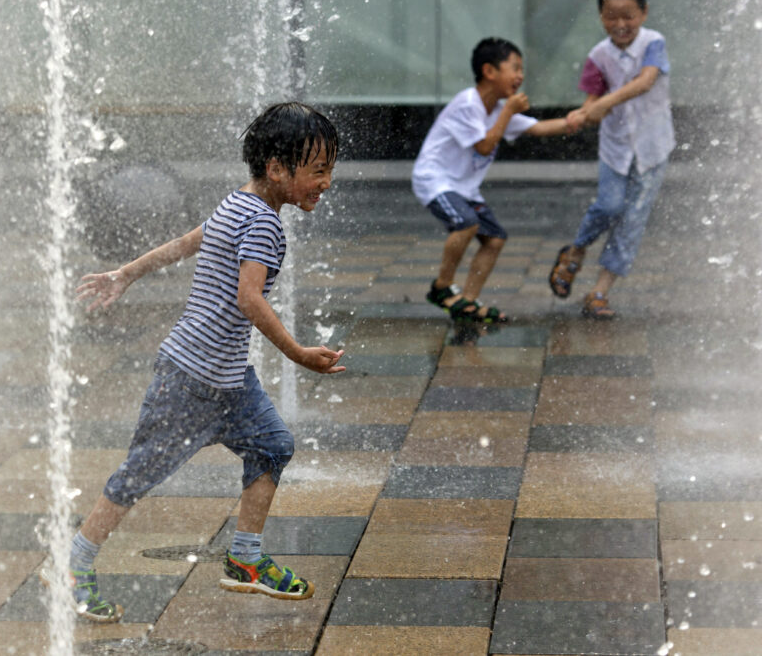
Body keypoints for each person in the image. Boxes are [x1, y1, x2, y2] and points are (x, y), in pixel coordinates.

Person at [43, 102, 345, 622]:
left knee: (273, 445)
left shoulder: (239, 204)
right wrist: (298, 355)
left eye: (329, 170)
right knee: (139, 475)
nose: (327, 182)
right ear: (277, 169)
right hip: (191, 380)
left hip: (226, 378)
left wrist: (127, 273)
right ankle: (74, 562)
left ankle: (245, 559)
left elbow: (188, 242)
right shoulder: (265, 227)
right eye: (318, 171)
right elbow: (249, 298)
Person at [413, 37, 579, 324]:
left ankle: (467, 301)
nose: (520, 76)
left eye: (521, 69)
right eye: (514, 67)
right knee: (467, 223)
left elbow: (539, 128)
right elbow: (484, 146)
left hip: (463, 187)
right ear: (489, 71)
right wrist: (508, 111)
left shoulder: (500, 109)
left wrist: (579, 119)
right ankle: (441, 288)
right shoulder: (469, 104)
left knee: (495, 239)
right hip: (435, 179)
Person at [549, 0, 674, 318]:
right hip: (616, 148)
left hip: (652, 148)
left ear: (644, 13)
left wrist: (607, 103)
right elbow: (592, 103)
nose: (620, 25)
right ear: (601, 16)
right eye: (611, 16)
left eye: (628, 16)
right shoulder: (598, 56)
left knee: (632, 221)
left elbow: (646, 81)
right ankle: (575, 251)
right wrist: (582, 113)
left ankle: (599, 292)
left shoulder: (654, 43)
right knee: (608, 206)